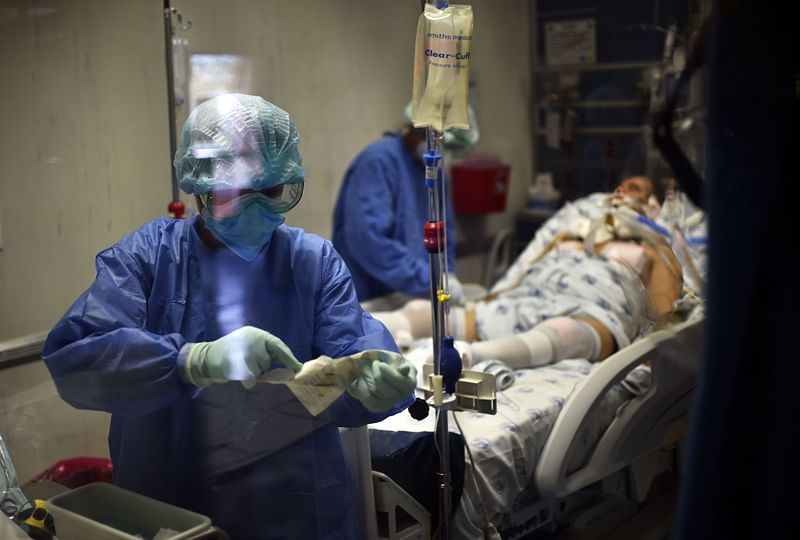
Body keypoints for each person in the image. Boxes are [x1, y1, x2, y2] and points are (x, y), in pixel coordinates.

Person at [42, 94, 416, 540]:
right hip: (173, 513)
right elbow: (74, 360)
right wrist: (191, 361)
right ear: (199, 189)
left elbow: (354, 352)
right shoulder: (150, 259)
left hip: (297, 513)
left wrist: (377, 381)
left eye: (272, 191)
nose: (255, 209)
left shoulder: (312, 262)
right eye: (235, 194)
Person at [372, 175, 687, 370]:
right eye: (621, 185)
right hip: (531, 295)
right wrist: (497, 296)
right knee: (423, 312)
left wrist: (655, 357)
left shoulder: (653, 245)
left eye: (635, 188)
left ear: (651, 206)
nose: (621, 192)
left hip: (592, 308)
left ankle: (472, 356)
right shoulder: (571, 233)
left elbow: (664, 311)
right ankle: (359, 330)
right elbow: (528, 265)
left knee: (565, 334)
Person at [332, 104, 479, 306]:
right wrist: (429, 280)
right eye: (439, 142)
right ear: (419, 129)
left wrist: (447, 274)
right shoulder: (378, 162)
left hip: (415, 295)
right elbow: (369, 240)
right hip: (371, 297)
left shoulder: (434, 172)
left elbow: (444, 236)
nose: (441, 152)